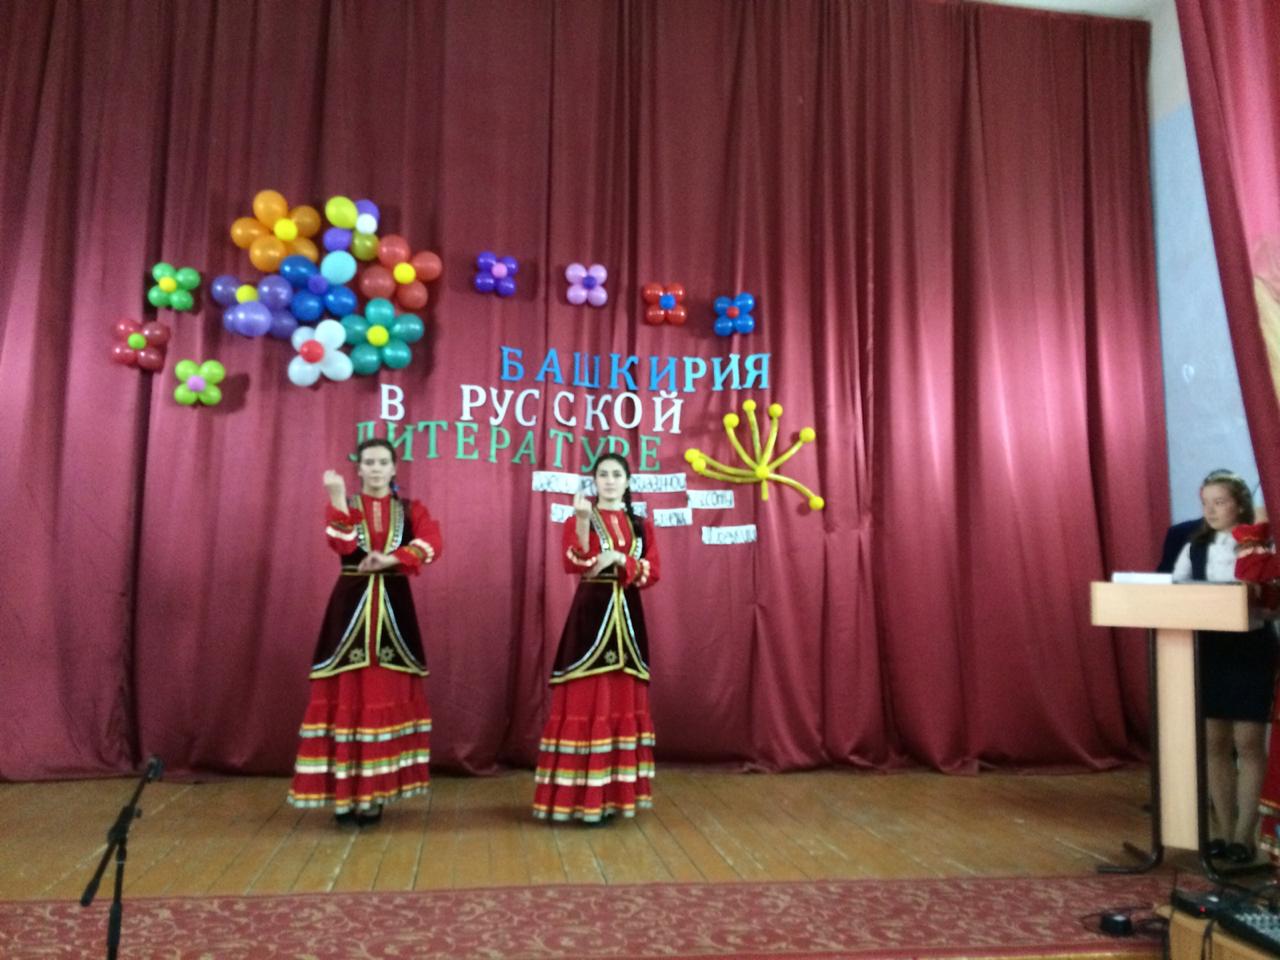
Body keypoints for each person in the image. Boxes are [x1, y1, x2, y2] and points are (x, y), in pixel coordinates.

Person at [287, 438, 443, 827]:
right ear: (359, 469)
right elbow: (342, 545)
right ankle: (343, 795)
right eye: (369, 462)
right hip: (350, 610)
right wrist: (336, 496)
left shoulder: (411, 510)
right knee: (346, 691)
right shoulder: (347, 504)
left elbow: (432, 543)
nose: (375, 468)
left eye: (382, 462)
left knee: (384, 691)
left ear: (394, 468)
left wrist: (391, 558)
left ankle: (374, 795)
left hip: (394, 612)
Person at [533, 453, 661, 824]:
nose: (609, 480)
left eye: (616, 474)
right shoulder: (582, 517)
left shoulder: (640, 526)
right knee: (587, 698)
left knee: (621, 698)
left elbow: (653, 570)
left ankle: (614, 797)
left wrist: (620, 558)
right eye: (603, 474)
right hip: (591, 617)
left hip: (628, 619)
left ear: (627, 481)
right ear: (595, 481)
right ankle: (580, 797)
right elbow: (576, 561)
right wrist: (582, 521)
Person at [1171, 472, 1277, 862]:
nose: (1211, 510)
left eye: (1220, 502)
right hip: (1211, 650)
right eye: (1206, 503)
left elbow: (1270, 600)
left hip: (1250, 649)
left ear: (1240, 505)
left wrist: (1257, 595)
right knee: (1214, 742)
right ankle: (1222, 830)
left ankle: (1244, 835)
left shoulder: (1260, 545)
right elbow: (1176, 590)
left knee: (1247, 742)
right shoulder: (1194, 546)